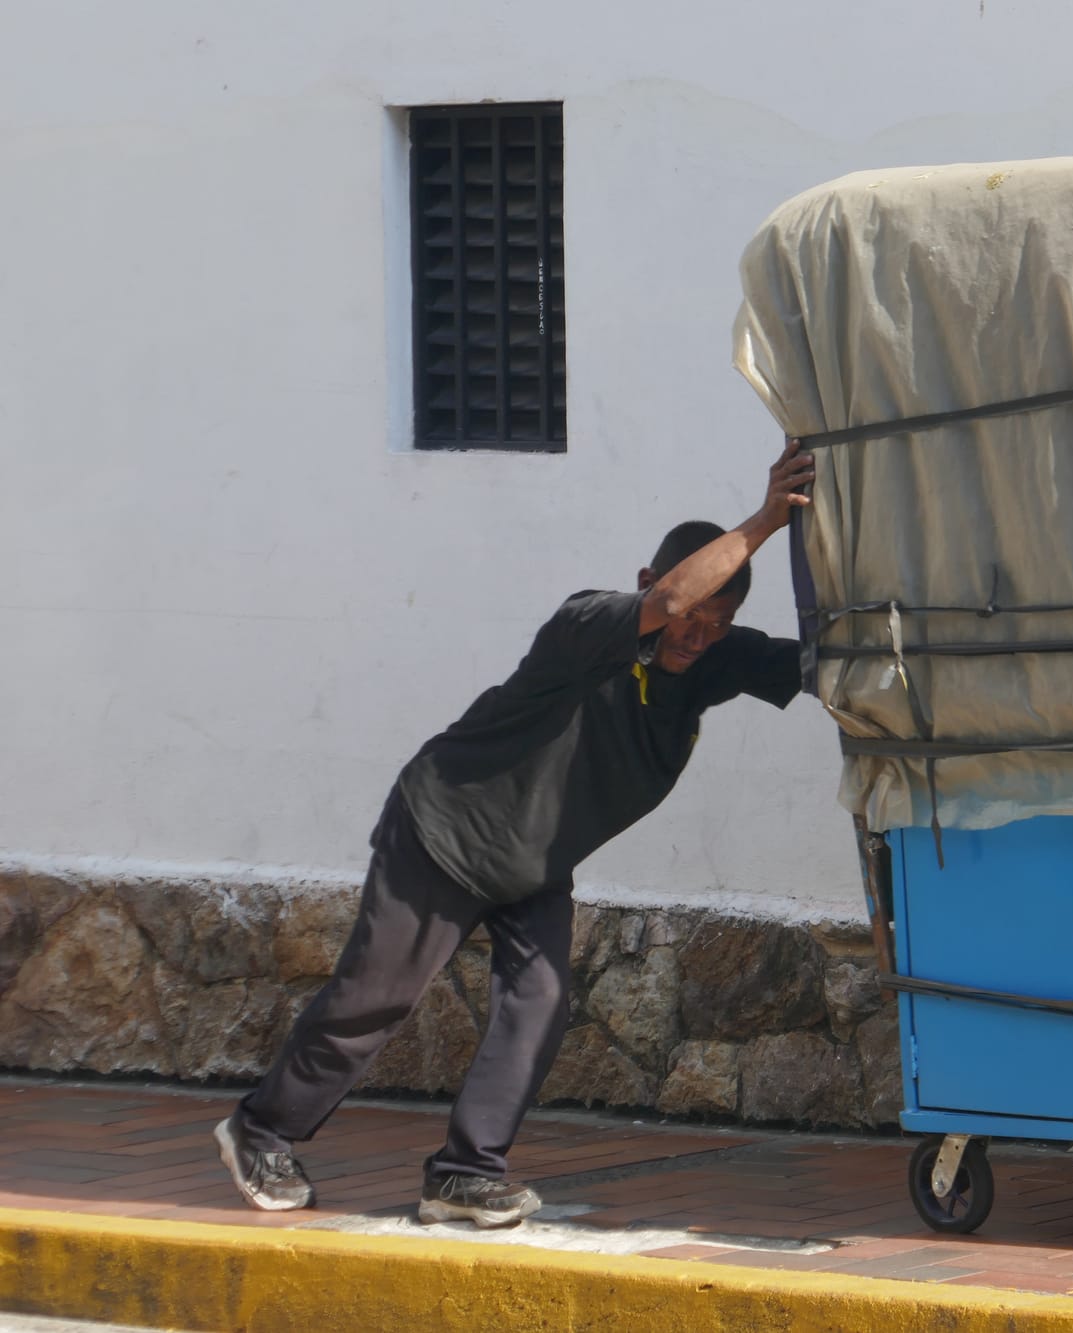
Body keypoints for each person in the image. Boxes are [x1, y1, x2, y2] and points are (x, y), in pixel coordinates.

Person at [214, 441, 814, 1227]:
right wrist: (768, 518)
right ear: (645, 584)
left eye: (717, 621)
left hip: (534, 861)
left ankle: (465, 1171)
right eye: (691, 616)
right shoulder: (589, 624)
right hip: (448, 828)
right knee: (376, 996)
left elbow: (817, 663)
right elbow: (671, 601)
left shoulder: (712, 660)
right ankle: (261, 1128)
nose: (696, 634)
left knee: (539, 1001)